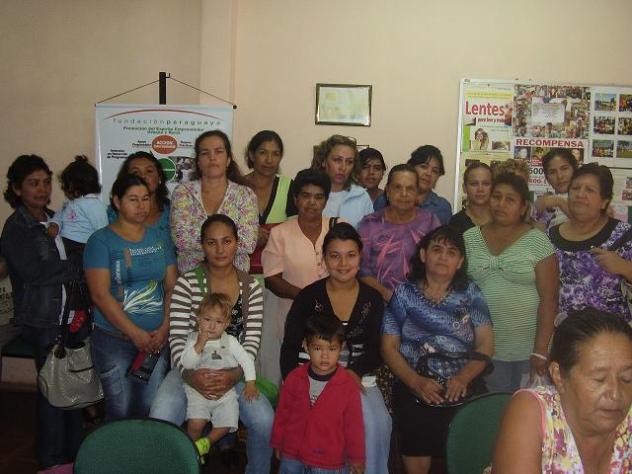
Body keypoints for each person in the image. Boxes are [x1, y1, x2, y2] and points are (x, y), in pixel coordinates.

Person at [149, 214, 273, 474]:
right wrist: (191, 376)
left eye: (227, 241)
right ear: (202, 245)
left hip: (234, 371)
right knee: (161, 417)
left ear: (237, 243)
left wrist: (234, 375)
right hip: (189, 368)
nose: (220, 249)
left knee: (264, 420)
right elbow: (177, 339)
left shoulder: (251, 287)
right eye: (211, 242)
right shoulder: (187, 283)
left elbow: (251, 341)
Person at [381, 226, 493, 474]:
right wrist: (415, 382)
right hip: (414, 384)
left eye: (451, 252)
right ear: (423, 255)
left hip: (464, 384)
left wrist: (463, 377)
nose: (443, 257)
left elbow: (486, 344)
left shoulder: (471, 293)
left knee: (474, 450)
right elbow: (388, 347)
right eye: (437, 249)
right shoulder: (404, 294)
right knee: (416, 433)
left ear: (460, 261)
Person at [280, 222, 391, 474]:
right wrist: (295, 385)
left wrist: (354, 372)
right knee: (317, 425)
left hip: (355, 376)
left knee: (378, 424)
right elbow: (289, 347)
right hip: (311, 377)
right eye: (335, 256)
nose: (343, 263)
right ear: (324, 259)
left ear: (360, 258)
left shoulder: (372, 299)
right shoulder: (307, 297)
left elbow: (376, 348)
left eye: (350, 255)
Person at [1, 155, 85, 472]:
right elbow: (36, 272)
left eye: (46, 182)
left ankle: (76, 455)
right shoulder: (16, 228)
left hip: (70, 317)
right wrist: (77, 265)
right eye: (33, 183)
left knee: (73, 391)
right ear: (16, 189)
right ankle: (51, 462)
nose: (42, 189)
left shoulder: (56, 218)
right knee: (53, 394)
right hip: (43, 321)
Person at [492, 308, 632, 473]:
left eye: (627, 378)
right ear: (558, 375)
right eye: (599, 379)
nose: (616, 394)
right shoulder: (531, 411)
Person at [84, 174, 177, 420]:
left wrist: (165, 328)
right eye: (133, 199)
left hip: (155, 341)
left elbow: (171, 286)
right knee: (120, 410)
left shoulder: (160, 238)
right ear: (117, 201)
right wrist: (135, 333)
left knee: (149, 408)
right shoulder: (101, 241)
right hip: (114, 341)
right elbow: (100, 295)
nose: (141, 205)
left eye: (145, 199)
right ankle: (115, 448)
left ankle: (142, 449)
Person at [464, 173, 558, 392]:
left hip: (528, 350)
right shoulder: (469, 238)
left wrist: (541, 349)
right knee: (494, 407)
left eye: (510, 199)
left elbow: (550, 299)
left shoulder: (538, 241)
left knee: (526, 408)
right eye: (496, 197)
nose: (501, 204)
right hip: (483, 349)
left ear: (523, 207)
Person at [259, 169, 336, 383]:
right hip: (294, 320)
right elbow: (271, 279)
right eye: (305, 195)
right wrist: (306, 298)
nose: (312, 202)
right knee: (297, 381)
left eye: (318, 197)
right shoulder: (280, 233)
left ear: (326, 201)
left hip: (335, 319)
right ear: (295, 199)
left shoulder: (338, 228)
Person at [272, 314, 365, 474]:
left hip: (329, 461)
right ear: (305, 346)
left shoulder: (348, 385)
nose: (324, 355)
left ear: (341, 347)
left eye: (332, 349)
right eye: (317, 348)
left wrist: (356, 458)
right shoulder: (294, 378)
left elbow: (354, 426)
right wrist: (278, 442)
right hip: (292, 454)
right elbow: (282, 414)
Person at [548, 163, 632, 322]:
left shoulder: (624, 235)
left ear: (604, 202)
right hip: (562, 333)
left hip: (612, 333)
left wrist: (625, 267)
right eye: (575, 188)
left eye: (590, 190)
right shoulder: (550, 237)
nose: (580, 194)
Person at [181, 292, 258, 456]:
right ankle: (190, 452)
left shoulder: (230, 341)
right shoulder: (193, 339)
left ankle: (205, 444)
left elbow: (246, 360)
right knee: (196, 423)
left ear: (226, 324)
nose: (212, 326)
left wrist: (251, 383)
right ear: (198, 319)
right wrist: (199, 345)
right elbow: (186, 364)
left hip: (225, 392)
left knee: (227, 423)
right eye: (207, 319)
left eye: (218, 322)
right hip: (198, 391)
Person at [171, 130, 258, 273]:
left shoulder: (245, 195)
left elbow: (248, 242)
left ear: (228, 160)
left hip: (235, 277)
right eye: (205, 153)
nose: (212, 157)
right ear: (198, 162)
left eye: (218, 152)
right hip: (192, 278)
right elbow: (181, 239)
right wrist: (227, 240)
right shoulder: (183, 193)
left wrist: (207, 240)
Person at [359, 164, 441, 302]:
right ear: (388, 191)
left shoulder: (430, 223)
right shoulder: (370, 224)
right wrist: (390, 297)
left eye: (410, 188)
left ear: (417, 193)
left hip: (422, 303)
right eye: (397, 187)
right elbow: (362, 271)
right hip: (378, 303)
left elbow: (439, 266)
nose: (404, 194)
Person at [242, 130, 296, 272]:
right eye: (263, 153)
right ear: (252, 155)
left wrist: (273, 236)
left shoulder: (288, 186)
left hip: (278, 272)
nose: (269, 160)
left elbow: (296, 230)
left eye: (275, 154)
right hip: (241, 271)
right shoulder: (237, 187)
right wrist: (250, 235)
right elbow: (226, 230)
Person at [374, 145, 452, 225]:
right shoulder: (383, 201)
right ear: (411, 167)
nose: (428, 173)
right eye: (424, 167)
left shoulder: (442, 208)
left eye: (434, 171)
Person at [48, 155, 108, 257]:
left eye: (65, 185)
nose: (63, 189)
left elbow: (102, 230)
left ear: (73, 187)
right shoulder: (69, 203)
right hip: (65, 242)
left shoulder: (94, 205)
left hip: (82, 246)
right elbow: (59, 215)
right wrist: (55, 224)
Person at [107, 151, 172, 244]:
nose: (143, 176)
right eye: (136, 172)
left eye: (149, 171)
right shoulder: (112, 214)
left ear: (159, 178)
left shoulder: (172, 212)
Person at [311, 134, 373, 228]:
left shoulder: (361, 196)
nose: (343, 167)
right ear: (324, 161)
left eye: (349, 162)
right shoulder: (309, 194)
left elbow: (370, 233)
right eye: (337, 160)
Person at [534, 148, 578, 230]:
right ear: (547, 178)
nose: (559, 176)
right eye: (552, 172)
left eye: (564, 168)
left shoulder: (587, 199)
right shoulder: (546, 204)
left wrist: (559, 202)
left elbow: (586, 225)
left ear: (575, 169)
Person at [450, 162, 493, 234]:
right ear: (464, 188)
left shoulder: (502, 219)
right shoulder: (456, 223)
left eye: (486, 184)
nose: (480, 189)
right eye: (474, 184)